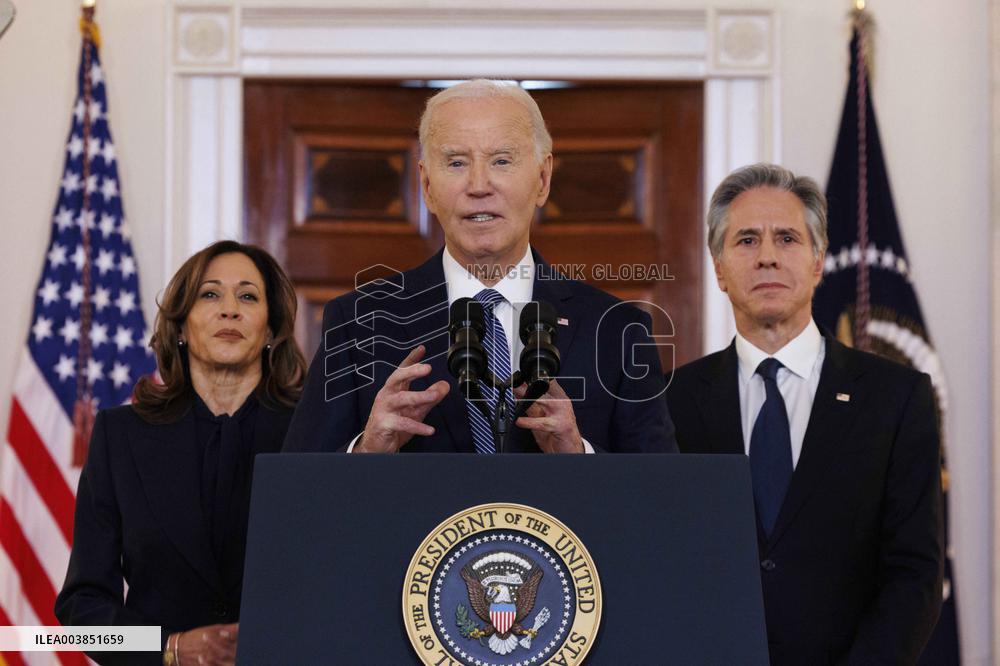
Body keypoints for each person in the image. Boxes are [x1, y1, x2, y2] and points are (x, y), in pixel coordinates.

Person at [283, 79, 675, 454]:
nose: (478, 185)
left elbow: (661, 499)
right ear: (426, 187)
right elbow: (297, 491)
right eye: (456, 163)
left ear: (542, 179)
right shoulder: (359, 322)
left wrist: (579, 453)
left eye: (502, 160)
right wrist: (368, 450)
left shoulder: (618, 330)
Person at [666, 163, 943, 664]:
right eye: (747, 240)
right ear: (719, 268)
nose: (768, 257)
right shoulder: (672, 400)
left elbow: (914, 572)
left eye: (787, 238)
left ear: (818, 261)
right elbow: (659, 559)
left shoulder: (896, 398)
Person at [55, 241, 306, 666]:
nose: (230, 310)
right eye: (209, 294)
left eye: (248, 296)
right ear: (181, 329)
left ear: (269, 330)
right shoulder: (121, 436)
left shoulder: (310, 433)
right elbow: (84, 612)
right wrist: (170, 648)